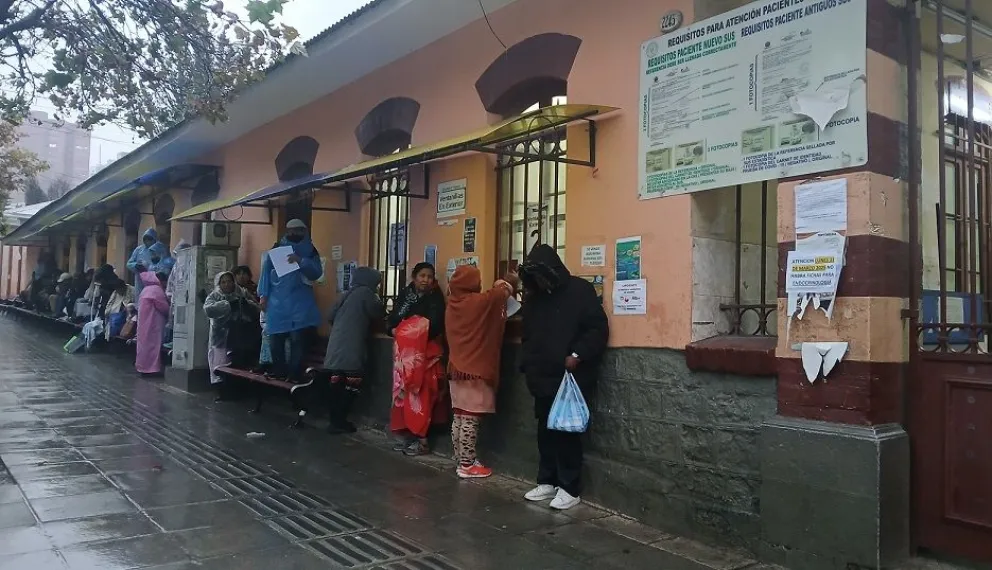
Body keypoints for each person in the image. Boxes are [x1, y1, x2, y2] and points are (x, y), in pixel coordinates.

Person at [518, 244, 609, 511]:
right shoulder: (535, 297)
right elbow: (528, 334)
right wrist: (526, 362)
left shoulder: (580, 291)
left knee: (566, 432)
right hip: (542, 375)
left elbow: (597, 329)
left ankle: (569, 487)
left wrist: (578, 354)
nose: (539, 283)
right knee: (544, 431)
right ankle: (547, 480)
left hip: (570, 377)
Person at [445, 265, 517, 478]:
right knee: (470, 418)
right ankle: (467, 465)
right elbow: (501, 292)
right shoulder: (478, 303)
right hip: (475, 370)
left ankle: (460, 459)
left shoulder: (452, 304)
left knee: (459, 416)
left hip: (456, 369)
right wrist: (507, 280)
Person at [314, 266, 385, 434]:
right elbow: (378, 313)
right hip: (352, 347)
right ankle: (340, 422)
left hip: (335, 346)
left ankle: (334, 421)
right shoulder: (367, 294)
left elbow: (330, 315)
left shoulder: (346, 293)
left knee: (336, 387)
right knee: (351, 387)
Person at [387, 262, 447, 456]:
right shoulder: (405, 295)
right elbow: (393, 319)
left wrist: (413, 332)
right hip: (404, 356)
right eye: (422, 275)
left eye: (429, 276)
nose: (426, 280)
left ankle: (422, 439)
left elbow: (436, 324)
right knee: (404, 396)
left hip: (426, 355)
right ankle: (409, 435)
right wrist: (394, 330)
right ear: (414, 277)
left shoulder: (436, 298)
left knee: (422, 395)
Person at [257, 219, 323, 382]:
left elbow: (316, 273)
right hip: (277, 304)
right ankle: (279, 372)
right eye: (290, 230)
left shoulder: (310, 251)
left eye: (298, 230)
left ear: (304, 231)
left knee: (297, 341)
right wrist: (263, 295)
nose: (294, 234)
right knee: (275, 340)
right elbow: (265, 272)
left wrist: (300, 260)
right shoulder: (277, 249)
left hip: (300, 305)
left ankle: (294, 375)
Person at [203, 271, 262, 401]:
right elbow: (208, 310)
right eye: (223, 282)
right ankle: (220, 390)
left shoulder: (241, 292)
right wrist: (227, 305)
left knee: (236, 362)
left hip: (240, 336)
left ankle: (236, 390)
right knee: (219, 362)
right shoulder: (215, 295)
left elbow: (256, 308)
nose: (227, 284)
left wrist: (246, 305)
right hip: (220, 336)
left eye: (229, 281)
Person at [135, 272, 170, 375]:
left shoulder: (145, 290)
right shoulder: (157, 290)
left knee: (144, 345)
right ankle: (152, 368)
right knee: (154, 345)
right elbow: (164, 307)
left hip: (143, 323)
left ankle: (142, 367)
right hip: (154, 323)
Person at [126, 228, 170, 294]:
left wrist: (160, 272)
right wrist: (136, 265)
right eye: (145, 239)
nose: (147, 241)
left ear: (154, 239)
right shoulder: (139, 250)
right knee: (141, 297)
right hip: (140, 279)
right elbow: (129, 263)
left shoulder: (161, 249)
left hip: (155, 279)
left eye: (150, 239)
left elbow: (165, 264)